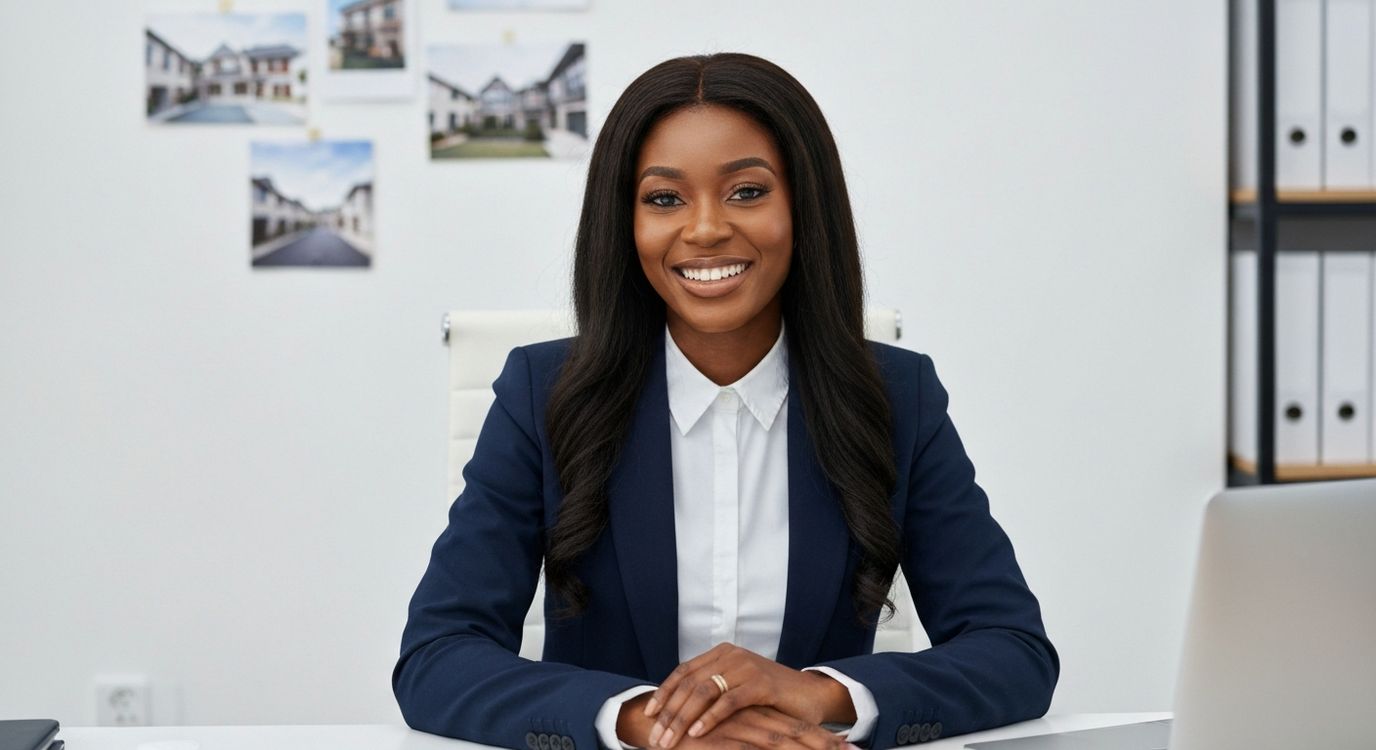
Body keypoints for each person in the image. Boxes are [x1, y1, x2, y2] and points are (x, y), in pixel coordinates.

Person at [392, 52, 1058, 750]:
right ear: (626, 224)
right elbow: (438, 657)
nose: (705, 228)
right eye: (664, 198)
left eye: (746, 191)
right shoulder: (543, 395)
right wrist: (648, 722)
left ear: (804, 208)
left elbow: (1013, 650)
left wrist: (815, 693)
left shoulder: (897, 398)